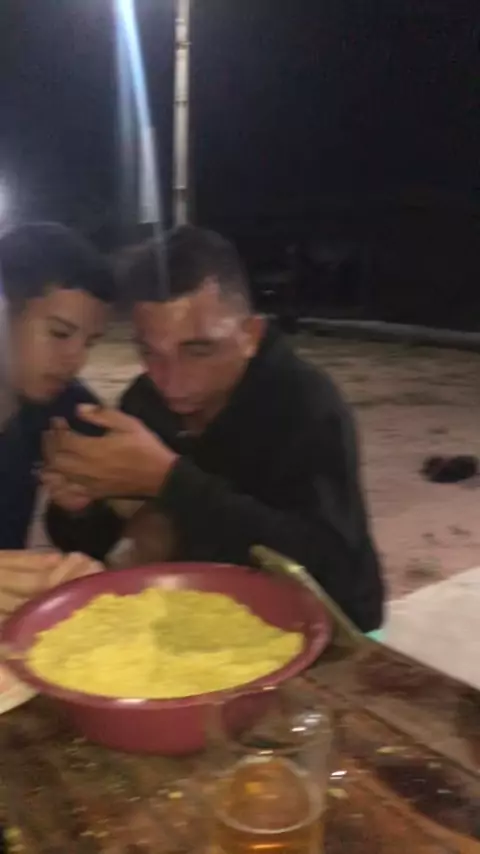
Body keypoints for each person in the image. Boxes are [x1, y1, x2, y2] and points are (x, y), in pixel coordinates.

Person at [44, 225, 384, 632]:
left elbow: (335, 571)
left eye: (198, 350)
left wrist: (169, 481)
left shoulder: (305, 404)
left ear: (251, 335)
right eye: (150, 353)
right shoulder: (144, 401)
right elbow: (110, 545)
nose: (170, 382)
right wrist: (80, 509)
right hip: (208, 620)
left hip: (334, 634)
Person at [0, 222, 114, 615]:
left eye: (89, 343)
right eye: (60, 334)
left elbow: (106, 539)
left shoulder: (65, 407)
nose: (75, 359)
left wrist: (81, 511)